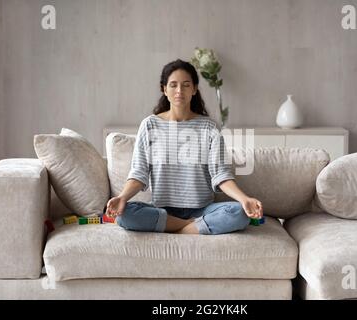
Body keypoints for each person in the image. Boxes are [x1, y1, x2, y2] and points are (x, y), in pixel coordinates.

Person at [105, 59, 263, 235]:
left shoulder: (209, 127)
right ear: (164, 89)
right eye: (173, 85)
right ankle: (193, 227)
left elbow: (220, 175)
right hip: (163, 210)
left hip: (202, 210)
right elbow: (139, 173)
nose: (179, 91)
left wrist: (244, 199)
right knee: (124, 215)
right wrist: (122, 198)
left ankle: (173, 227)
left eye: (186, 85)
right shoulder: (150, 125)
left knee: (239, 213)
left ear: (194, 89)